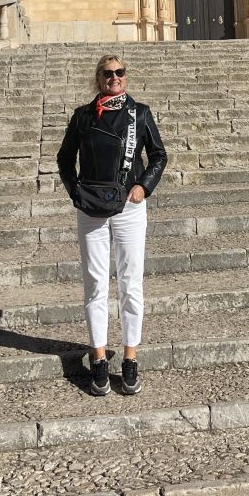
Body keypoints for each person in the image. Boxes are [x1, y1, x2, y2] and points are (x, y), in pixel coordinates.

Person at [57, 53, 167, 396]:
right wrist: (75, 191)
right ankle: (100, 356)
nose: (114, 77)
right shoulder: (83, 117)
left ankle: (130, 357)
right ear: (98, 79)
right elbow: (64, 158)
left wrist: (143, 186)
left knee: (131, 282)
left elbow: (159, 155)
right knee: (95, 283)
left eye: (120, 72)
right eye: (108, 73)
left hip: (129, 208)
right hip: (91, 208)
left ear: (126, 76)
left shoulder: (140, 114)